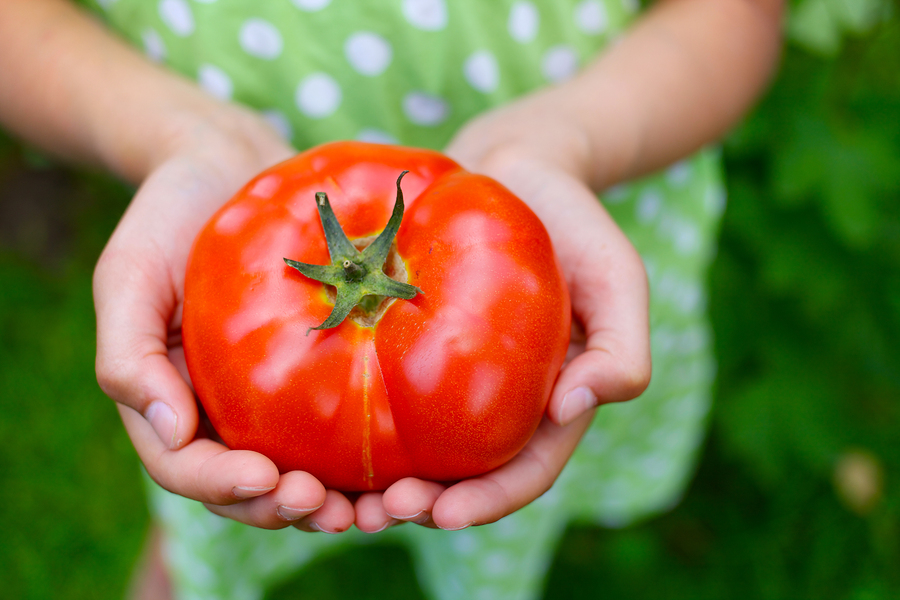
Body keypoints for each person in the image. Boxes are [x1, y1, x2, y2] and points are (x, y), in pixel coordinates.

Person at [0, 0, 783, 598]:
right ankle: (187, 563)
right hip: (235, 206)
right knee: (226, 487)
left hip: (563, 213)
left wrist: (573, 139)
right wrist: (170, 132)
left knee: (509, 462)